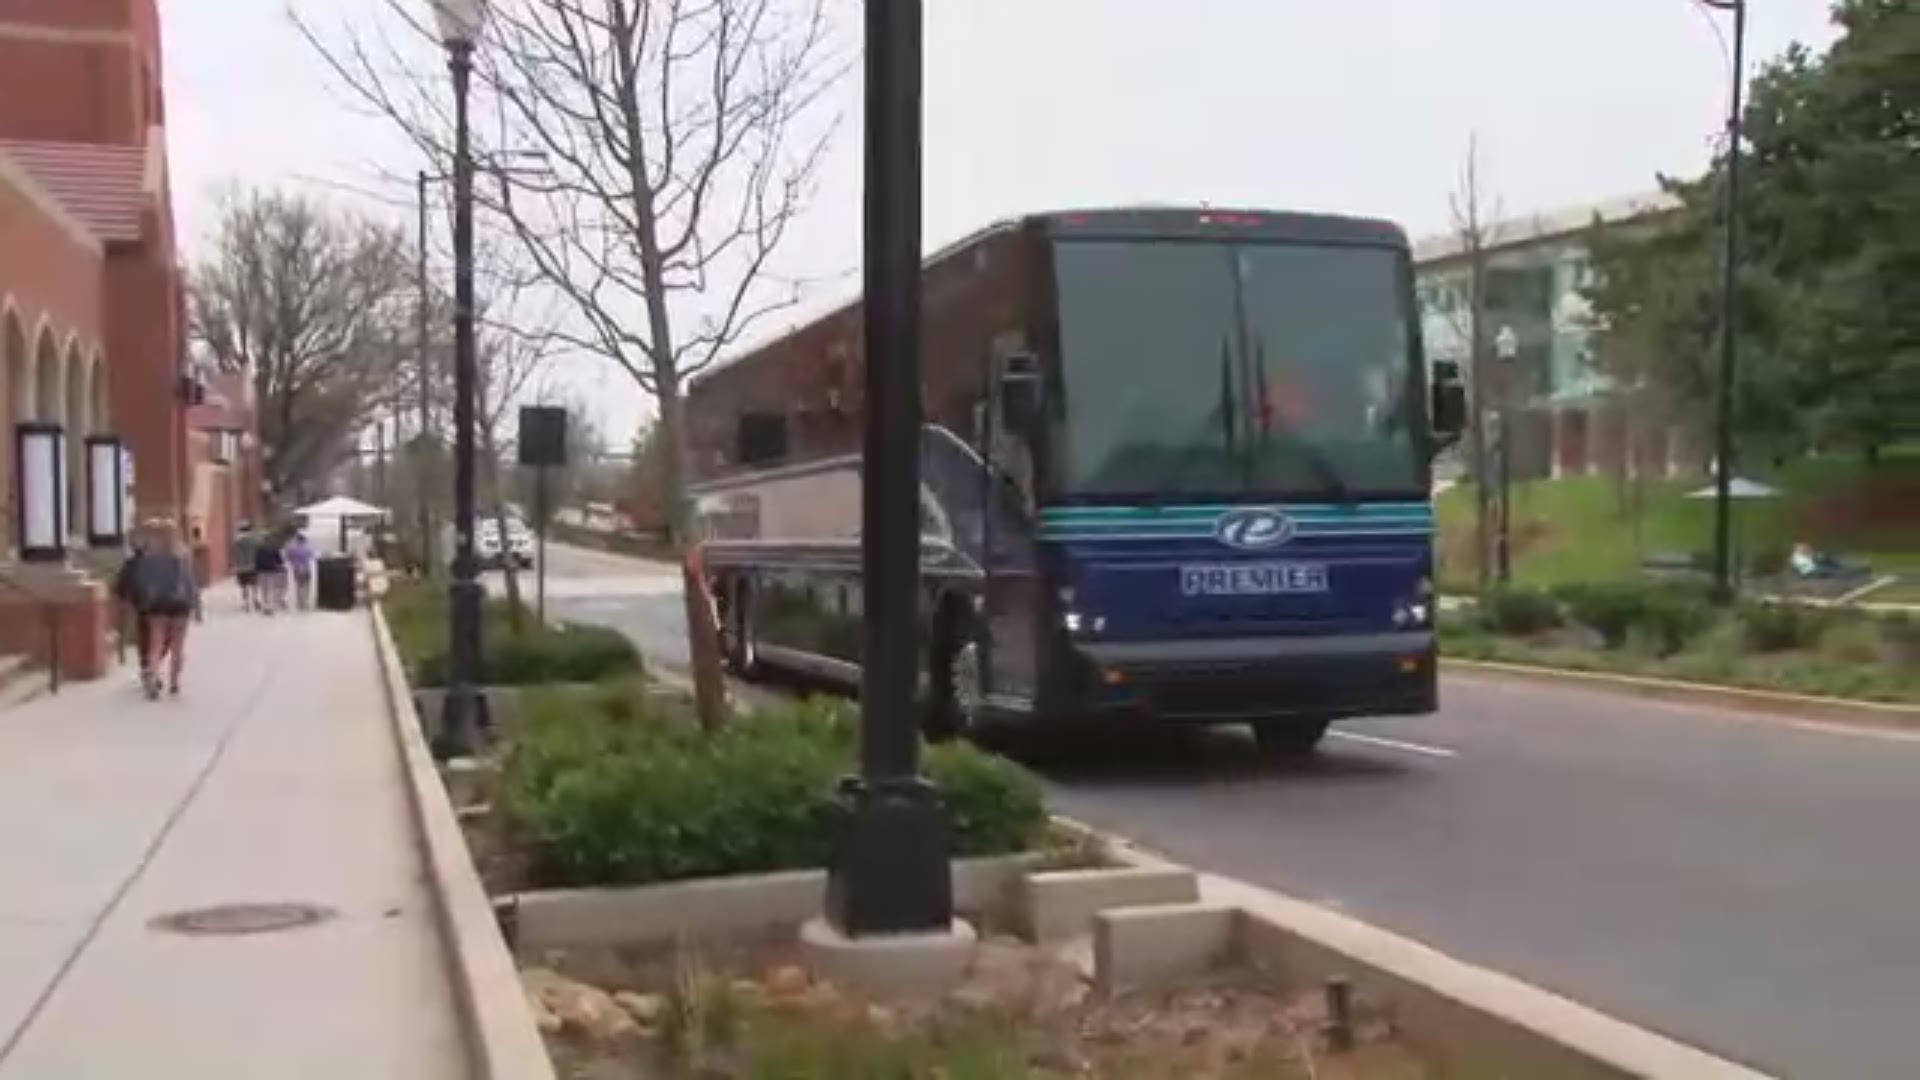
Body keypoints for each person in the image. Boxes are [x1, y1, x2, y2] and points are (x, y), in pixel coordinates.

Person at [130, 520, 200, 698]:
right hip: (180, 604)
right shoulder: (183, 554)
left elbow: (142, 581)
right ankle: (174, 683)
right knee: (178, 645)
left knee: (156, 644)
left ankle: (152, 678)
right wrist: (196, 604)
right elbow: (190, 581)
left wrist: (145, 600)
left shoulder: (148, 556)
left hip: (157, 603)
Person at [111, 534, 150, 676]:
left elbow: (120, 586)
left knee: (143, 631)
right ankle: (151, 663)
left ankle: (145, 662)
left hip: (138, 603)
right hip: (154, 603)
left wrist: (121, 597)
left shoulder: (130, 564)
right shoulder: (152, 562)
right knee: (152, 633)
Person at [254, 528, 287, 615]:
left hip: (261, 570)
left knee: (264, 589)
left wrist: (256, 570)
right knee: (271, 588)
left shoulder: (259, 548)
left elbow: (256, 560)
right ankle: (270, 607)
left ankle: (265, 606)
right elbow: (280, 560)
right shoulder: (274, 548)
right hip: (272, 570)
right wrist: (279, 565)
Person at [232, 522, 261, 612]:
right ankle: (255, 599)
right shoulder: (255, 540)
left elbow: (235, 554)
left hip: (241, 567)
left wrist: (235, 565)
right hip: (253, 566)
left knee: (244, 586)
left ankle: (246, 603)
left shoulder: (237, 541)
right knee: (254, 584)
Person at [285, 531, 317, 611]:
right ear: (304, 540)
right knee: (306, 586)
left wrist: (293, 562)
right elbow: (312, 557)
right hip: (306, 569)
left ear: (297, 540)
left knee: (298, 586)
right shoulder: (308, 548)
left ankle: (300, 602)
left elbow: (288, 558)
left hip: (297, 569)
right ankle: (305, 602)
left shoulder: (292, 549)